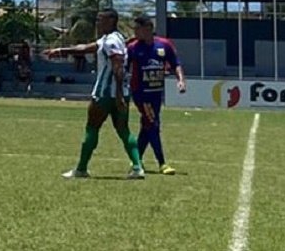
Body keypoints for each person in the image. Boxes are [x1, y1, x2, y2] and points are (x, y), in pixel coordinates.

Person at [44, 9, 145, 179]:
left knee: (92, 127)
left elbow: (118, 68)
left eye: (100, 20)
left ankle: (81, 169)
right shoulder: (114, 38)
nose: (97, 23)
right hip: (120, 93)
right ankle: (137, 168)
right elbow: (85, 48)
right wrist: (61, 50)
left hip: (105, 93)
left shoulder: (111, 41)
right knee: (123, 130)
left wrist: (118, 94)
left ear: (111, 21)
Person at [126, 15, 187, 174]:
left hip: (156, 94)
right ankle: (162, 163)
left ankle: (136, 161)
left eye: (137, 29)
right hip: (141, 93)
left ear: (148, 29)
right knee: (153, 124)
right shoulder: (133, 48)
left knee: (147, 126)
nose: (135, 32)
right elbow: (124, 68)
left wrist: (180, 80)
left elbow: (176, 64)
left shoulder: (164, 45)